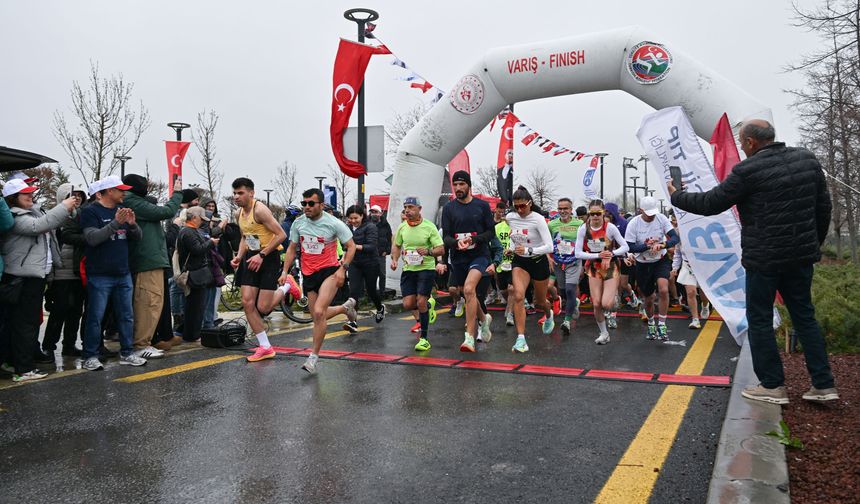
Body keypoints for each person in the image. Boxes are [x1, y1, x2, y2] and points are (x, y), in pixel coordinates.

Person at [669, 119, 838, 404]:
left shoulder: (748, 170)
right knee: (804, 316)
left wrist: (678, 196)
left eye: (742, 142)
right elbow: (824, 207)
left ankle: (772, 386)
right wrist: (812, 245)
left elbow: (711, 203)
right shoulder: (807, 160)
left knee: (759, 319)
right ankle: (824, 385)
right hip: (801, 257)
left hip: (764, 259)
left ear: (750, 143)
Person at [1, 180, 74, 381]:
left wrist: (68, 209)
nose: (30, 195)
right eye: (24, 193)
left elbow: (50, 222)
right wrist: (63, 207)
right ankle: (23, 369)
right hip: (21, 277)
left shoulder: (34, 211)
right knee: (25, 324)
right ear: (12, 198)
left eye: (31, 192)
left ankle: (14, 362)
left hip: (33, 276)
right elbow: (39, 226)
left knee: (24, 323)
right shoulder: (16, 216)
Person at [281, 188, 357, 374]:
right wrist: (284, 271)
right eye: (304, 203)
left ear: (321, 205)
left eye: (311, 203)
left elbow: (351, 246)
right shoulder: (298, 223)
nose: (306, 207)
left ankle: (313, 357)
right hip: (309, 273)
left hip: (330, 271)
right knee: (317, 316)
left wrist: (342, 269)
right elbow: (292, 248)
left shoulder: (333, 223)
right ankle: (345, 308)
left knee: (318, 311)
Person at [79, 176, 147, 371]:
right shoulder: (91, 211)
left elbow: (137, 238)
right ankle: (89, 355)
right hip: (100, 273)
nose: (124, 193)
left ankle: (127, 352)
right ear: (109, 191)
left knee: (126, 316)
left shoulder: (122, 211)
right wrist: (116, 223)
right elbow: (92, 238)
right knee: (95, 316)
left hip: (122, 272)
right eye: (120, 189)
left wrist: (133, 224)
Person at [228, 178, 299, 362]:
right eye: (234, 193)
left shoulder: (260, 210)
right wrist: (238, 255)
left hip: (268, 258)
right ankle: (265, 346)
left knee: (263, 307)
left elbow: (281, 235)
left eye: (240, 193)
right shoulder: (238, 213)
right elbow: (245, 237)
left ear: (251, 193)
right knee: (247, 302)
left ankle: (286, 287)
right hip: (251, 257)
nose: (236, 196)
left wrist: (262, 255)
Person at [122, 174, 184, 357]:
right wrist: (177, 193)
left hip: (152, 260)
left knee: (154, 302)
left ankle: (146, 341)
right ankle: (141, 344)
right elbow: (165, 212)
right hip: (146, 261)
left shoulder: (135, 201)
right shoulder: (133, 201)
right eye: (144, 185)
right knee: (148, 302)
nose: (147, 188)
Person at [440, 170, 496, 352]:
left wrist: (474, 239)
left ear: (469, 185)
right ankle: (484, 318)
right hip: (458, 257)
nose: (458, 188)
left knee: (469, 289)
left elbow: (490, 233)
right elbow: (446, 237)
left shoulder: (482, 206)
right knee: (466, 293)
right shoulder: (448, 209)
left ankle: (469, 337)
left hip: (479, 255)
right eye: (455, 185)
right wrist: (457, 243)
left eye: (461, 184)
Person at [506, 186, 555, 353]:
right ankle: (521, 339)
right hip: (520, 262)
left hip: (537, 261)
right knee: (518, 296)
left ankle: (549, 314)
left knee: (540, 301)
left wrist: (529, 250)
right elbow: (515, 236)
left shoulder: (538, 219)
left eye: (523, 206)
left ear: (530, 203)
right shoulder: (510, 217)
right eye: (516, 206)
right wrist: (511, 247)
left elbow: (550, 247)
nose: (519, 210)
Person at [391, 197, 444, 351]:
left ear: (419, 209)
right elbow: (396, 245)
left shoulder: (429, 227)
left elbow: (440, 249)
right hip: (408, 270)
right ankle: (429, 305)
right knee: (408, 304)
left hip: (425, 269)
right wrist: (394, 260)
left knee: (420, 301)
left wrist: (428, 251)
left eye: (411, 207)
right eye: (405, 207)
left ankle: (424, 339)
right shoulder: (402, 227)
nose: (407, 210)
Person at [574, 200, 630, 344]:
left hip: (610, 266)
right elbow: (578, 253)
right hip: (594, 267)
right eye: (592, 214)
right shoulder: (583, 229)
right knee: (597, 303)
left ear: (603, 213)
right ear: (589, 214)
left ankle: (614, 298)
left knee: (606, 303)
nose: (595, 217)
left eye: (598, 213)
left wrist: (611, 253)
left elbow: (625, 246)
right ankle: (604, 333)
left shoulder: (610, 228)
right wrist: (597, 255)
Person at [42, 184, 87, 357]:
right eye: (72, 195)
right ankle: (49, 346)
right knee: (59, 311)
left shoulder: (83, 216)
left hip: (78, 272)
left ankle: (69, 345)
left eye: (79, 196)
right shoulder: (55, 216)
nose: (77, 198)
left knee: (76, 311)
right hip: (60, 273)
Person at [625, 196, 678, 341]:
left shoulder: (661, 218)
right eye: (648, 213)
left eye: (653, 212)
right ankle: (651, 323)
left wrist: (662, 245)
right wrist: (646, 246)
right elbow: (629, 246)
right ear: (640, 210)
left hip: (660, 260)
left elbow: (675, 238)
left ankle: (662, 323)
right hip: (642, 263)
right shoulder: (634, 224)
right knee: (648, 298)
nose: (651, 216)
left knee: (663, 288)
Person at [177, 207, 219, 342]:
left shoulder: (189, 231)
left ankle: (193, 333)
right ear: (194, 218)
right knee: (194, 306)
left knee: (196, 306)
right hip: (194, 273)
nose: (202, 222)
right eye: (201, 219)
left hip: (197, 273)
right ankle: (192, 334)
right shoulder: (188, 232)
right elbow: (197, 250)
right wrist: (211, 242)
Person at [547, 197, 584, 335]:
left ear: (571, 209)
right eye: (560, 208)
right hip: (558, 262)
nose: (563, 211)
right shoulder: (552, 224)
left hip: (574, 261)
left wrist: (585, 264)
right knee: (563, 290)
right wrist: (548, 258)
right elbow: (547, 242)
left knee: (569, 289)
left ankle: (567, 321)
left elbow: (585, 244)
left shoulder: (579, 224)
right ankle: (573, 302)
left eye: (565, 208)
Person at [345, 204, 384, 324]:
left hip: (370, 263)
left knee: (371, 290)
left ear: (362, 216)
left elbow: (371, 246)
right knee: (353, 292)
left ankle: (379, 308)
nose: (353, 221)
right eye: (350, 218)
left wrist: (354, 246)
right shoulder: (347, 228)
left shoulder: (370, 227)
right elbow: (344, 245)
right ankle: (353, 322)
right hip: (355, 263)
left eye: (356, 218)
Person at [493, 202, 515, 326]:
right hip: (501, 263)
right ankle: (510, 304)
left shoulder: (517, 228)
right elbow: (493, 245)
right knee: (503, 290)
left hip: (514, 262)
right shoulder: (497, 228)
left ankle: (510, 313)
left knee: (512, 288)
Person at [369, 204, 392, 295]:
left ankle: (382, 292)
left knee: (382, 274)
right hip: (369, 254)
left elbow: (389, 238)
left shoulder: (386, 225)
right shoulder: (367, 223)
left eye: (376, 212)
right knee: (371, 274)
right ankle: (371, 292)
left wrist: (387, 250)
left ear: (381, 213)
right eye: (372, 212)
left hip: (381, 254)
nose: (374, 214)